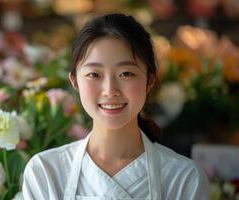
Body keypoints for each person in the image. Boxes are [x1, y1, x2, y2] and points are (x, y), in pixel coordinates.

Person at [22, 13, 210, 200]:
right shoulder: (46, 172)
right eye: (94, 74)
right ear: (75, 81)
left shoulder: (183, 178)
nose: (110, 90)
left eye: (126, 73)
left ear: (150, 80)